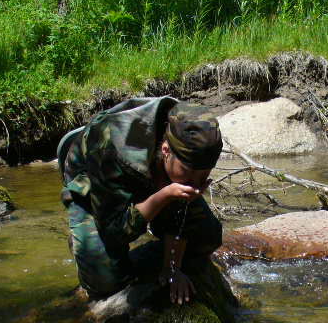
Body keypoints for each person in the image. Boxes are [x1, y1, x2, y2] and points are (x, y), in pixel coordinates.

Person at [57, 97, 223, 304]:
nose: (195, 183)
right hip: (94, 180)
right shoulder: (111, 146)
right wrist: (164, 196)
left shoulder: (190, 132)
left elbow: (183, 215)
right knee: (106, 282)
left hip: (152, 174)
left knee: (207, 237)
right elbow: (115, 230)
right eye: (189, 174)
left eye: (204, 174)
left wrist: (172, 268)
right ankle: (81, 237)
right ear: (165, 151)